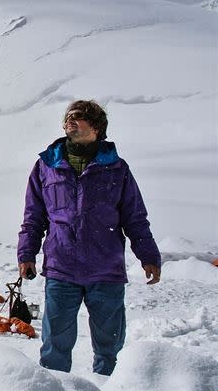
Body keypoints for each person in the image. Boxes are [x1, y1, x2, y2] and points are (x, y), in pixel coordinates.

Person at [17, 100, 161, 376]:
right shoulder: (46, 166)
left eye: (79, 116)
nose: (71, 120)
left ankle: (108, 385)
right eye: (68, 116)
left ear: (96, 127)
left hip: (105, 269)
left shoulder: (117, 168)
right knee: (54, 347)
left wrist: (149, 257)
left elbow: (135, 218)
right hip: (61, 267)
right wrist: (26, 254)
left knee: (110, 349)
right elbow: (33, 217)